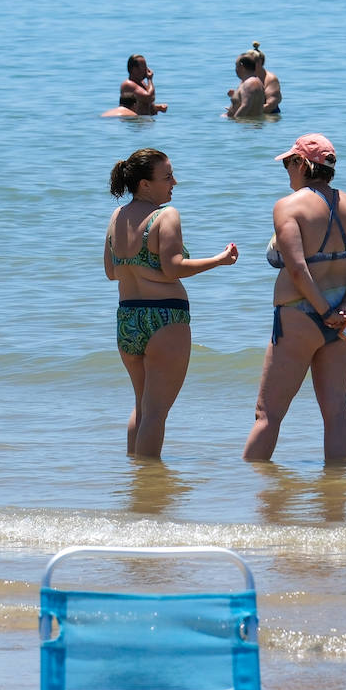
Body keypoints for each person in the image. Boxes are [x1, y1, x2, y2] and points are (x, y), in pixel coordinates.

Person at [243, 134, 346, 464]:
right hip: (342, 321)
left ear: (302, 164)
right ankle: (336, 498)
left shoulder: (288, 206)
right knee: (335, 411)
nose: (286, 170)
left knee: (267, 414)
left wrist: (324, 310)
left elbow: (299, 269)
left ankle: (252, 496)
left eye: (289, 163)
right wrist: (342, 309)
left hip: (299, 316)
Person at [105, 148, 239, 458]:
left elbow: (111, 272)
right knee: (156, 413)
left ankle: (137, 483)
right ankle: (149, 493)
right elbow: (173, 267)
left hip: (128, 320)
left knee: (141, 406)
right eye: (167, 177)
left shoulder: (117, 216)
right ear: (144, 184)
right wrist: (219, 260)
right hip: (165, 319)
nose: (174, 182)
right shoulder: (166, 215)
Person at [226, 52, 265, 118]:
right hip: (246, 125)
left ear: (241, 66)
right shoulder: (248, 82)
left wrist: (235, 122)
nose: (235, 69)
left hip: (247, 126)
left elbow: (245, 106)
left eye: (236, 66)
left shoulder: (250, 83)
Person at [251, 42, 282, 115]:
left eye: (248, 63)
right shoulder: (249, 76)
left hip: (270, 116)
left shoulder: (270, 79)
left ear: (259, 62)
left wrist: (247, 110)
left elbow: (270, 106)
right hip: (253, 113)